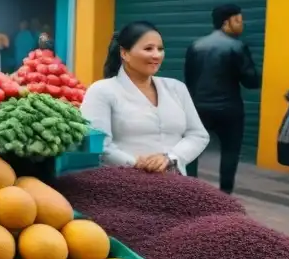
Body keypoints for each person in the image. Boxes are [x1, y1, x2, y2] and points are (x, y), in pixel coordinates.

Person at [80, 21, 209, 174]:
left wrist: (171, 158)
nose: (156, 55)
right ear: (124, 53)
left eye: (160, 49)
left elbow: (198, 135)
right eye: (148, 49)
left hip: (175, 182)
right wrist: (137, 164)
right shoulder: (102, 90)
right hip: (123, 180)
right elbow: (98, 144)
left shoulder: (176, 88)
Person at [183, 3, 262, 193]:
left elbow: (189, 78)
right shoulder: (237, 46)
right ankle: (225, 195)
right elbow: (251, 81)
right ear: (227, 22)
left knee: (192, 149)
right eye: (239, 21)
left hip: (199, 107)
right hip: (229, 109)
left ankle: (189, 191)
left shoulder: (195, 46)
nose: (242, 25)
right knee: (229, 152)